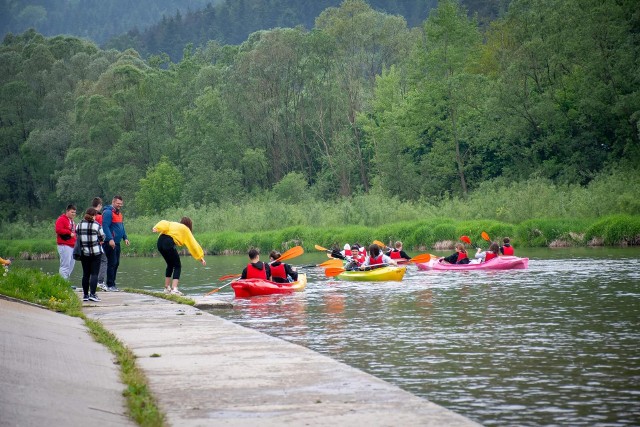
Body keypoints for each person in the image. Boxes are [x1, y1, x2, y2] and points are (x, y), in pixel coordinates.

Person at [152, 217, 206, 295]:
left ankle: (167, 288)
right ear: (189, 225)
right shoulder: (185, 229)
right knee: (178, 266)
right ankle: (174, 289)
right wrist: (200, 257)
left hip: (160, 242)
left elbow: (164, 222)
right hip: (168, 242)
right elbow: (193, 244)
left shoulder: (173, 224)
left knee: (170, 264)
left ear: (181, 222)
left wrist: (157, 228)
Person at [76, 207, 105, 302]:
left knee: (85, 274)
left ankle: (85, 295)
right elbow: (102, 237)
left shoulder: (79, 225)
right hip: (96, 253)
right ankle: (92, 294)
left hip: (84, 253)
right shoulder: (97, 225)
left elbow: (77, 235)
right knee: (94, 274)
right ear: (93, 215)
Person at [102, 195, 130, 292]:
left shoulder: (119, 213)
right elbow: (105, 226)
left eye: (121, 204)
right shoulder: (108, 212)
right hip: (110, 242)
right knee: (112, 263)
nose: (120, 205)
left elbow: (121, 226)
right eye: (118, 203)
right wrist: (110, 239)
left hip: (117, 242)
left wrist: (125, 237)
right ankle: (110, 285)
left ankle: (113, 283)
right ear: (113, 202)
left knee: (116, 263)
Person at [55, 204, 77, 280]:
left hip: (72, 245)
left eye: (74, 212)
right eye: (72, 212)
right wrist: (68, 232)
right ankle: (62, 283)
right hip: (64, 245)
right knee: (65, 265)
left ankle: (66, 281)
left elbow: (74, 233)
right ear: (67, 211)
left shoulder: (72, 221)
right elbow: (58, 229)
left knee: (71, 265)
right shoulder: (61, 219)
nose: (73, 214)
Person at [91, 197, 109, 291]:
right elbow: (100, 229)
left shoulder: (88, 214)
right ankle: (100, 282)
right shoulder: (99, 216)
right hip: (98, 243)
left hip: (88, 244)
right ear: (99, 205)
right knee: (103, 261)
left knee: (92, 263)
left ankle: (92, 282)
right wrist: (102, 239)